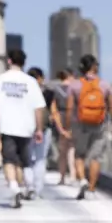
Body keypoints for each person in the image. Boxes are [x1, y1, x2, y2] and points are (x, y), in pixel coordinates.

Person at [0, 49, 45, 208]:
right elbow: (38, 108)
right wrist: (39, 129)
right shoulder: (31, 82)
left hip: (7, 126)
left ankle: (14, 187)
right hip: (26, 127)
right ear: (24, 62)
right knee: (23, 161)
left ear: (9, 61)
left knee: (9, 160)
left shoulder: (0, 80)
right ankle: (24, 187)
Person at [66, 55, 112, 200]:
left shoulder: (74, 85)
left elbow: (69, 109)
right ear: (95, 67)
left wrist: (68, 127)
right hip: (99, 124)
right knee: (95, 157)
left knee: (79, 155)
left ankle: (82, 180)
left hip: (80, 124)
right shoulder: (105, 85)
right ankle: (91, 189)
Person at [26, 67, 70, 197]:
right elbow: (54, 112)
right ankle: (38, 188)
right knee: (41, 158)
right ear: (40, 78)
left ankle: (29, 186)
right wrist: (61, 129)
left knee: (27, 158)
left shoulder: (24, 92)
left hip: (26, 128)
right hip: (44, 128)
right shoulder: (48, 93)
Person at [53, 69, 77, 185]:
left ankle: (62, 177)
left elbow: (54, 109)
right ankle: (73, 175)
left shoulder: (55, 89)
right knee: (72, 149)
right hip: (74, 118)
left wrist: (59, 127)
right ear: (70, 76)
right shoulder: (76, 88)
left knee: (62, 151)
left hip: (61, 118)